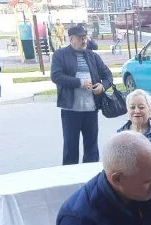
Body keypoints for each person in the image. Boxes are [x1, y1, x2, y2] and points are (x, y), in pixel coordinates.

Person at [50, 25, 113, 165]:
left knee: (92, 148)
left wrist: (103, 86)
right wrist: (79, 83)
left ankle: (90, 175)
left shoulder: (93, 56)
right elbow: (56, 76)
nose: (84, 41)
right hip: (70, 110)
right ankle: (69, 175)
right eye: (80, 38)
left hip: (91, 110)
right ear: (71, 39)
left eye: (85, 38)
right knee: (70, 148)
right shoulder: (60, 55)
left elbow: (108, 75)